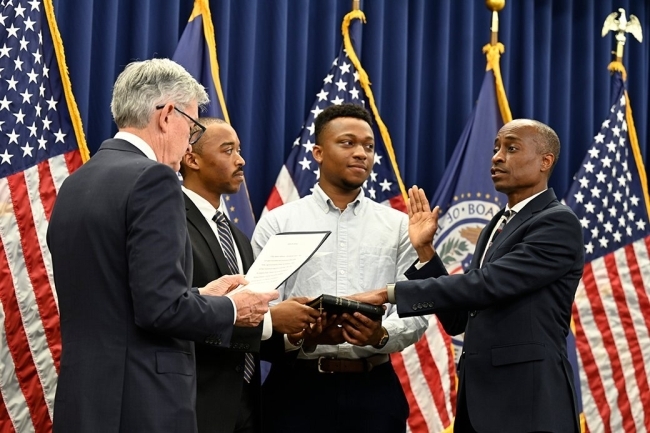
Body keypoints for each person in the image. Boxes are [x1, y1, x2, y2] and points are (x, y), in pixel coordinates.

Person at [46, 59, 278, 433]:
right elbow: (162, 309)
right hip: (142, 403)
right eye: (193, 125)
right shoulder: (154, 179)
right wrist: (232, 309)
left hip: (84, 402)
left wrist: (199, 294)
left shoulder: (76, 182)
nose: (190, 140)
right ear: (168, 115)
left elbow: (121, 296)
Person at [353, 119, 584, 433]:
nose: (497, 157)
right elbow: (461, 319)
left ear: (546, 161)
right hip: (480, 405)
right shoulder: (497, 225)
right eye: (495, 149)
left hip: (528, 405)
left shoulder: (557, 222)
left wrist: (389, 293)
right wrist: (425, 252)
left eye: (511, 148)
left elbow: (489, 284)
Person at [251, 103, 435, 433]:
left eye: (368, 146)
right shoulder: (278, 222)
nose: (361, 153)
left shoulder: (398, 226)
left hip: (374, 392)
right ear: (318, 152)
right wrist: (299, 334)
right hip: (296, 390)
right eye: (348, 143)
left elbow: (418, 311)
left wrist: (380, 335)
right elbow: (255, 307)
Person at [180, 117, 320, 433]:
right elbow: (175, 315)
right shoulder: (170, 222)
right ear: (192, 158)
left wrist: (292, 334)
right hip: (195, 406)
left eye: (240, 150)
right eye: (228, 150)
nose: (241, 160)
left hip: (247, 408)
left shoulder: (238, 237)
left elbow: (245, 327)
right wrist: (272, 321)